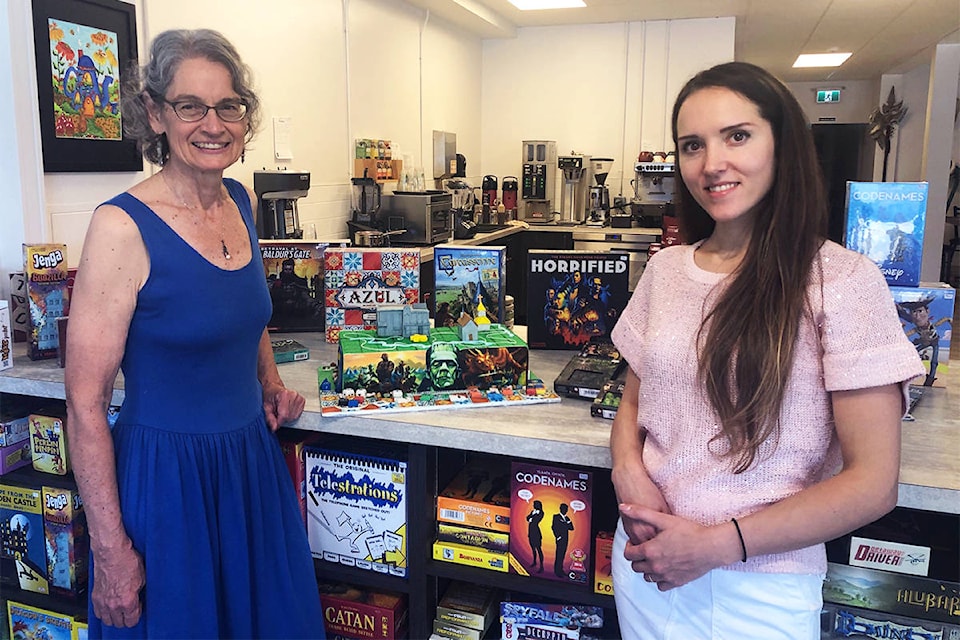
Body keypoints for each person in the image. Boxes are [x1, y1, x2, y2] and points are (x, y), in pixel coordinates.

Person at [608, 61, 924, 639]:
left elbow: (873, 483)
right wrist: (628, 472)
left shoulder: (842, 281)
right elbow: (632, 402)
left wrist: (711, 545)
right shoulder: (666, 270)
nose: (712, 164)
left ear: (783, 144)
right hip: (647, 562)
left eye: (738, 135)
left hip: (758, 588)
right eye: (692, 145)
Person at [63, 29, 323, 638]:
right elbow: (84, 404)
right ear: (154, 113)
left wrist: (269, 381)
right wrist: (109, 551)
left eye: (228, 105)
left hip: (248, 470)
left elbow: (246, 312)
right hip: (167, 484)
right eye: (190, 106)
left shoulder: (240, 199)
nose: (213, 123)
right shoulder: (119, 228)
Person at [551, 503, 574, 578]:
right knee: (559, 555)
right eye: (564, 509)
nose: (565, 510)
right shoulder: (556, 517)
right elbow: (553, 527)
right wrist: (558, 536)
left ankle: (561, 570)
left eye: (566, 509)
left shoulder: (567, 518)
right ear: (561, 509)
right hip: (560, 539)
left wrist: (568, 521)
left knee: (562, 555)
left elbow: (571, 528)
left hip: (566, 539)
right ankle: (557, 571)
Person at [526, 499, 545, 573]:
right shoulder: (533, 512)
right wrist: (532, 516)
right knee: (533, 548)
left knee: (538, 549)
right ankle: (534, 562)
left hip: (536, 533)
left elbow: (535, 520)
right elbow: (527, 518)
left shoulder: (541, 513)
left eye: (534, 504)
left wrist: (532, 516)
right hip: (530, 532)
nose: (533, 506)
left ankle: (541, 566)